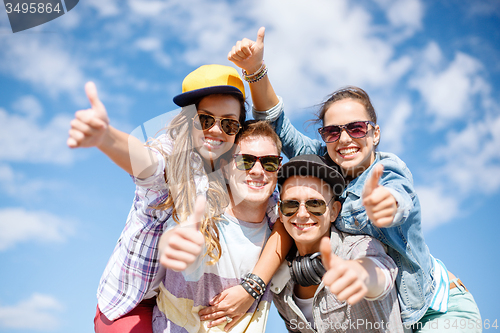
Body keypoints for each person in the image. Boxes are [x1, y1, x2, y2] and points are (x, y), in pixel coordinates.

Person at [228, 28, 482, 332]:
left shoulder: (389, 170)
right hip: (389, 313)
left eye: (357, 128)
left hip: (435, 306)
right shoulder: (324, 158)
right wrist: (255, 70)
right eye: (333, 131)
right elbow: (278, 125)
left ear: (375, 133)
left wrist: (387, 206)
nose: (344, 138)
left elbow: (398, 199)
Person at [67, 64, 250, 332]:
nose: (216, 130)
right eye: (205, 119)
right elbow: (148, 163)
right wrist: (106, 137)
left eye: (229, 123)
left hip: (183, 305)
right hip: (133, 303)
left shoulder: (236, 171)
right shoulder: (171, 154)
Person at [153, 120, 285, 332]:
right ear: (225, 169)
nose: (258, 171)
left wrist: (252, 288)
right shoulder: (199, 213)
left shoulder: (283, 228)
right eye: (245, 161)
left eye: (269, 163)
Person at [270, 153, 403, 332]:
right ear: (280, 211)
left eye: (315, 204)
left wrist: (361, 275)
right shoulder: (281, 285)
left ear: (333, 211)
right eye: (291, 205)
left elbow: (380, 272)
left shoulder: (359, 248)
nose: (301, 214)